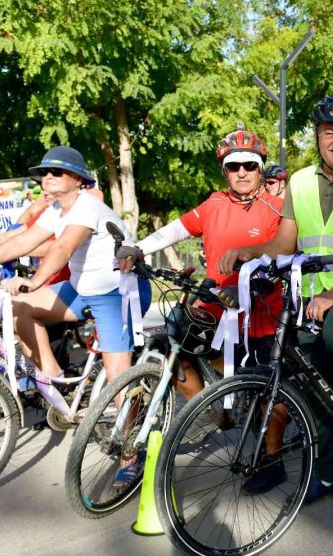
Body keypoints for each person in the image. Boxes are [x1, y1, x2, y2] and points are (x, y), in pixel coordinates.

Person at [218, 94, 333, 504]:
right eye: (330, 132)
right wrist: (252, 252)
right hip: (309, 292)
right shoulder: (299, 182)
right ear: (317, 137)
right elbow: (285, 242)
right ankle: (326, 476)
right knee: (312, 386)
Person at [0, 146, 150, 387]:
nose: (48, 176)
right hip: (81, 288)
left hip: (116, 293)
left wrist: (34, 281)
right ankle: (56, 380)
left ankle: (134, 425)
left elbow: (63, 248)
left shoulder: (88, 207)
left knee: (117, 379)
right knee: (20, 308)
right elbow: (22, 241)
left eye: (57, 172)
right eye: (45, 171)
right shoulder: (57, 209)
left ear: (78, 179)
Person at [117, 127, 285, 392]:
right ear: (225, 172)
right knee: (174, 350)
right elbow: (174, 230)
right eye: (234, 166)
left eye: (249, 165)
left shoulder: (277, 208)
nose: (242, 172)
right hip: (214, 309)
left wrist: (253, 285)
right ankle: (207, 412)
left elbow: (284, 256)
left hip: (259, 316)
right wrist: (138, 248)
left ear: (260, 169)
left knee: (269, 401)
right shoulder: (214, 204)